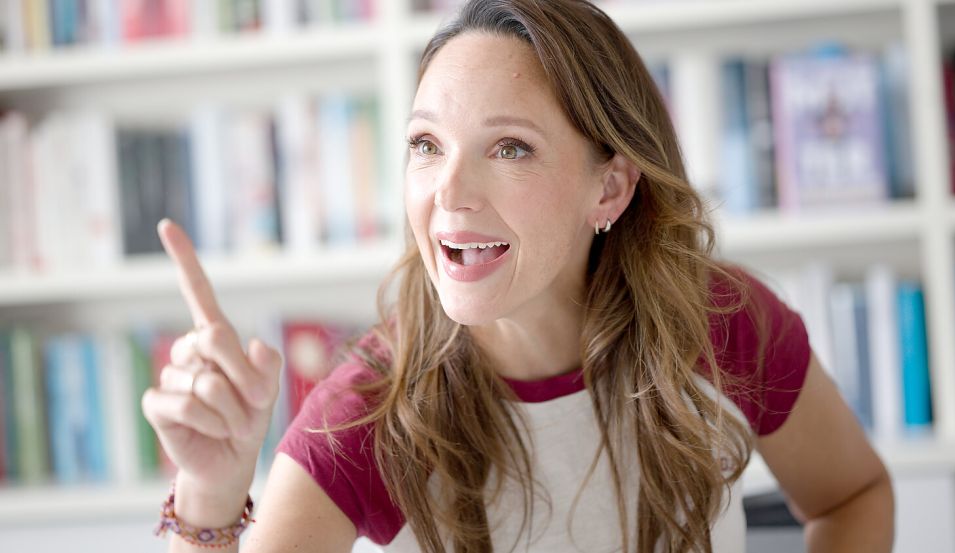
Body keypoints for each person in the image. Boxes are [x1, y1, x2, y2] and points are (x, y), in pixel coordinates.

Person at [141, 1, 895, 551]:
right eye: (426, 144)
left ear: (609, 188)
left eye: (509, 148)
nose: (449, 192)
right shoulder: (371, 410)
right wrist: (208, 493)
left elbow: (853, 495)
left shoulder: (726, 322)